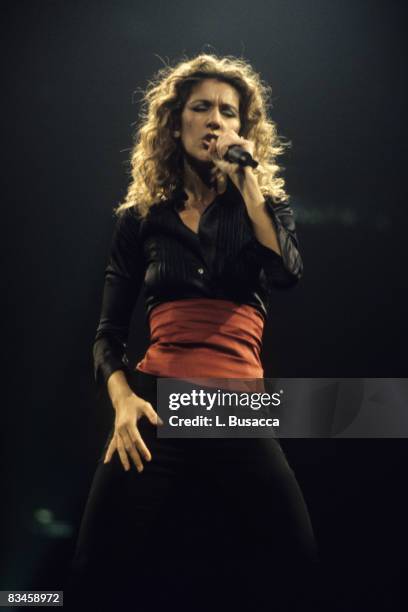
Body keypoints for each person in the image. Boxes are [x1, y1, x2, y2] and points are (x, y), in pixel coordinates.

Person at [65, 53, 321, 612]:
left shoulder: (266, 208)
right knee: (92, 571)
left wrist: (247, 178)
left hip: (235, 410)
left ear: (243, 129)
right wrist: (124, 400)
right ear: (175, 122)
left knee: (296, 567)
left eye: (228, 112)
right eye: (201, 107)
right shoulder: (141, 220)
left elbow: (286, 273)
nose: (214, 120)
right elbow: (107, 333)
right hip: (158, 406)